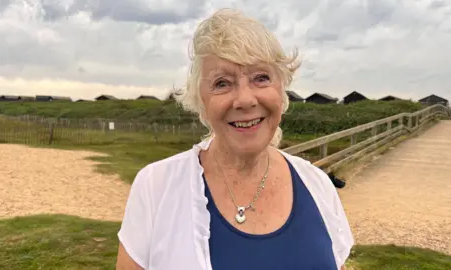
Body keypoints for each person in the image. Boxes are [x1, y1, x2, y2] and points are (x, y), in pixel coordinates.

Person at [116, 8, 354, 270]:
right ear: (201, 101)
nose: (245, 99)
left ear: (281, 88)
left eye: (261, 78)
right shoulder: (155, 187)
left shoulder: (317, 185)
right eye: (222, 83)